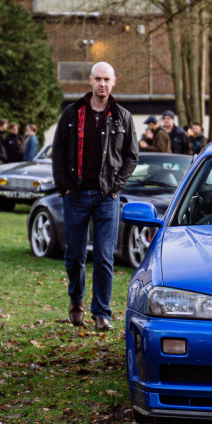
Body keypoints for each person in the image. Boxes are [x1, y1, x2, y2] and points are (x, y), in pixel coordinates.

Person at [51, 61, 138, 331]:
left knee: (104, 256)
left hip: (106, 197)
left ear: (114, 82)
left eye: (106, 79)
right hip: (75, 194)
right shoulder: (72, 113)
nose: (102, 84)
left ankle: (102, 313)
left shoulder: (122, 116)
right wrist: (64, 187)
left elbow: (131, 156)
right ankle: (76, 301)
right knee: (74, 255)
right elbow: (58, 153)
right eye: (97, 79)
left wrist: (115, 187)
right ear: (90, 81)